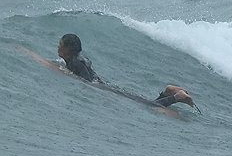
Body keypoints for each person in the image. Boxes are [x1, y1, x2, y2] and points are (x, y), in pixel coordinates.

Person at [54, 34, 197, 111]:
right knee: (144, 102)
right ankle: (166, 93)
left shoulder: (74, 62)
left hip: (102, 87)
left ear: (68, 49)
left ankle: (176, 96)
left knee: (148, 105)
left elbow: (86, 80)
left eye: (60, 45)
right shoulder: (79, 58)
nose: (58, 47)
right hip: (104, 83)